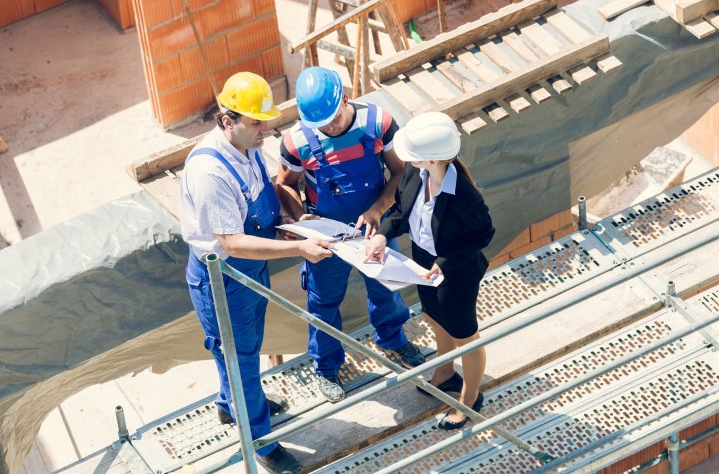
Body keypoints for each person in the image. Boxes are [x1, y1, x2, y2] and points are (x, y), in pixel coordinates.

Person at [180, 71, 333, 473]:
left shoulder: (247, 147)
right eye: (256, 123)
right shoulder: (210, 173)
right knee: (241, 357)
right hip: (224, 278)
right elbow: (231, 242)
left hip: (250, 271)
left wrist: (290, 221)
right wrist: (298, 247)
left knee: (241, 349)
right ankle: (262, 443)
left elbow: (264, 198)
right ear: (227, 121)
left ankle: (230, 404)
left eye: (267, 121)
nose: (266, 130)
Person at [275, 66, 425, 403]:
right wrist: (300, 220)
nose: (327, 128)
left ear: (345, 98)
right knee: (323, 302)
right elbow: (284, 184)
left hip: (373, 229)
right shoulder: (296, 141)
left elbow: (400, 172)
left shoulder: (378, 123)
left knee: (385, 288)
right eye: (320, 124)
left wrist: (379, 209)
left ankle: (394, 341)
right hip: (326, 238)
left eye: (332, 120)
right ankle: (326, 367)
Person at [364, 111, 495, 430]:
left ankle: (470, 398)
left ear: (433, 159)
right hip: (422, 263)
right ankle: (445, 372)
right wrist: (382, 235)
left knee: (465, 336)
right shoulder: (414, 170)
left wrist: (442, 265)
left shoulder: (463, 194)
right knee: (434, 316)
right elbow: (401, 211)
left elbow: (482, 234)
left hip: (455, 272)